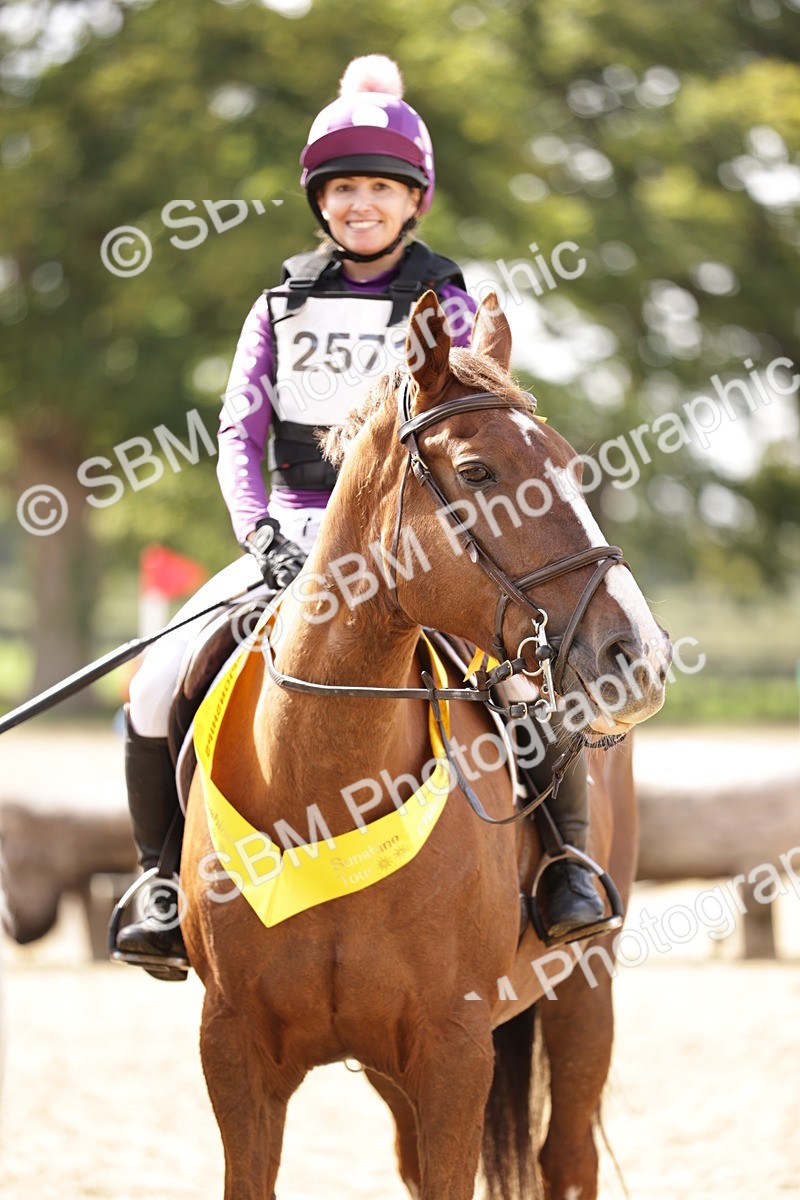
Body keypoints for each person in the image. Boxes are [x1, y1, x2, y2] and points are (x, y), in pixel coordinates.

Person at [113, 55, 613, 975]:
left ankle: (565, 869)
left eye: (381, 189)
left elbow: (474, 428)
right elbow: (239, 430)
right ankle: (156, 881)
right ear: (321, 201)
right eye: (343, 189)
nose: (360, 205)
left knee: (514, 685)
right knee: (154, 684)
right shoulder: (279, 303)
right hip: (294, 528)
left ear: (413, 201)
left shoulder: (448, 301)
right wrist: (258, 531)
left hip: (417, 542)